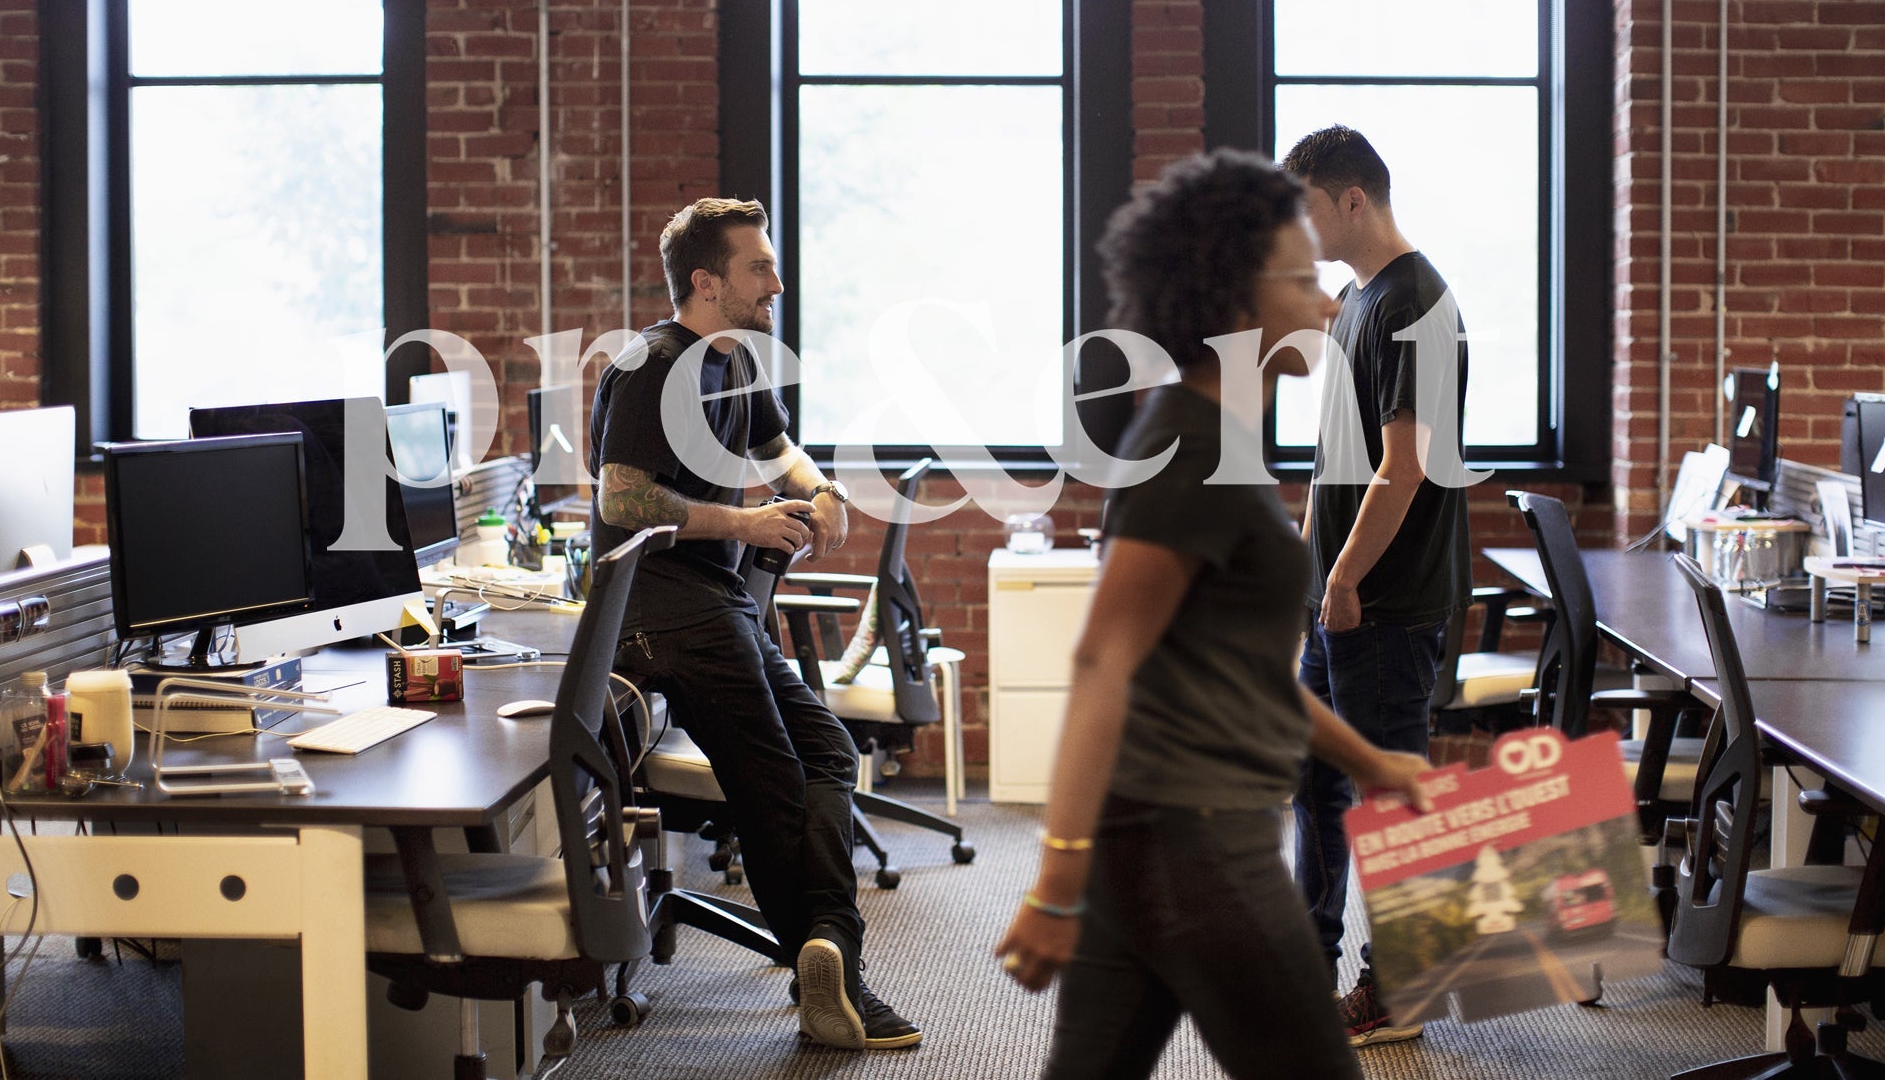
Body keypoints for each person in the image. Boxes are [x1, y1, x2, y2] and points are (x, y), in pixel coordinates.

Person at [993, 149, 1434, 1079]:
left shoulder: (1211, 439)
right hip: (1199, 842)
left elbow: (1237, 670)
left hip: (1149, 841)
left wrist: (1370, 762)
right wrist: (1057, 874)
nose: (1327, 304)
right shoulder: (1189, 448)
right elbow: (1101, 661)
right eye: (1301, 281)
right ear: (1237, 302)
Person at [588, 197, 920, 1051]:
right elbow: (621, 497)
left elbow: (780, 453)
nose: (777, 282)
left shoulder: (734, 359)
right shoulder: (654, 364)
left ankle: (823, 946)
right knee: (772, 784)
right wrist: (744, 521)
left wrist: (821, 490)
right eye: (759, 267)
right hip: (663, 611)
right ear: (706, 282)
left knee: (827, 751)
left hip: (715, 600)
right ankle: (835, 975)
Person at [1281, 124, 1472, 1047]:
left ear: (1351, 199)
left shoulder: (1415, 304)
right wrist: (1309, 570)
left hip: (1384, 604)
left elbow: (1403, 467)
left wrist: (1347, 575)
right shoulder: (1357, 299)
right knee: (1315, 782)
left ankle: (1400, 989)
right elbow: (1336, 461)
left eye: (1305, 207)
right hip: (1338, 597)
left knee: (1390, 804)